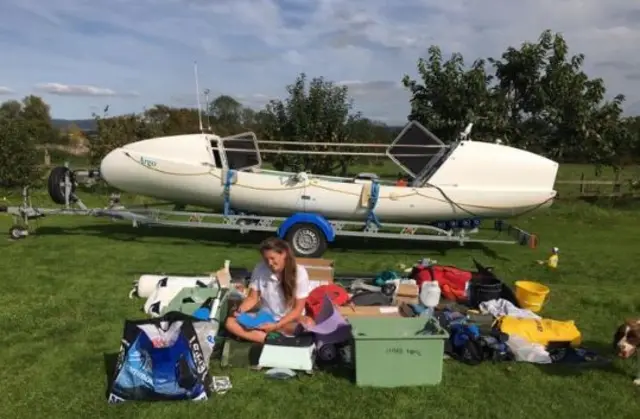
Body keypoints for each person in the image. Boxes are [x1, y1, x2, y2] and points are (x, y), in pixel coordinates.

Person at [224, 237, 314, 343]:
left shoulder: (300, 272)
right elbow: (252, 298)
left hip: (288, 320)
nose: (269, 263)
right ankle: (269, 339)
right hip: (265, 317)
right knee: (230, 322)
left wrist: (277, 325)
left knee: (308, 324)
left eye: (272, 258)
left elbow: (297, 310)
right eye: (266, 259)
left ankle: (264, 335)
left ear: (283, 254)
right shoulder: (260, 268)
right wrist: (240, 311)